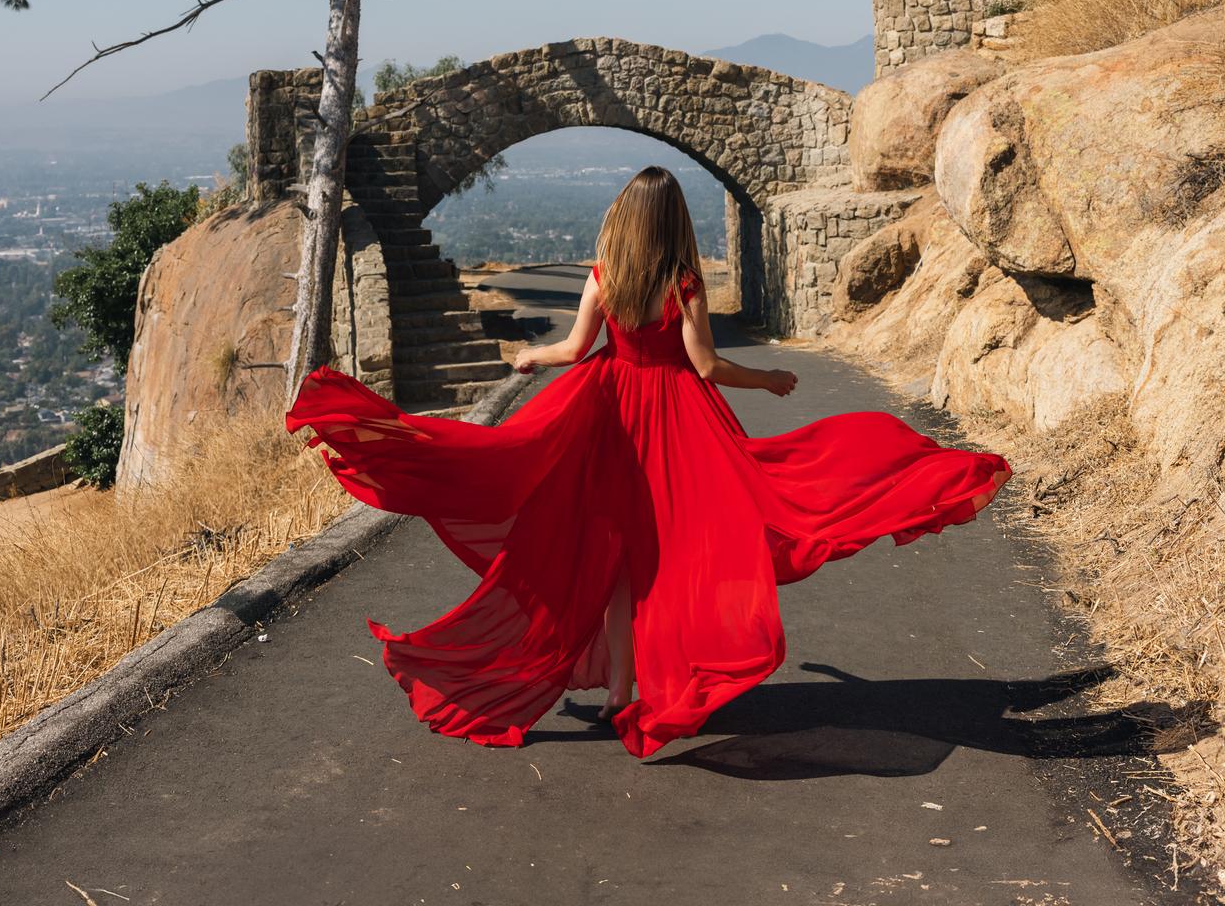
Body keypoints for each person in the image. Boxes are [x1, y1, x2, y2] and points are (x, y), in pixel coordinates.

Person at [286, 165, 1010, 759]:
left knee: (615, 558)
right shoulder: (682, 281)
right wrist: (767, 380)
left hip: (605, 413)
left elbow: (574, 351)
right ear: (672, 224)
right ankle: (674, 674)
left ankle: (622, 693)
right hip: (676, 420)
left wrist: (533, 356)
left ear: (623, 220)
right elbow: (702, 365)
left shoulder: (605, 275)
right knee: (702, 536)